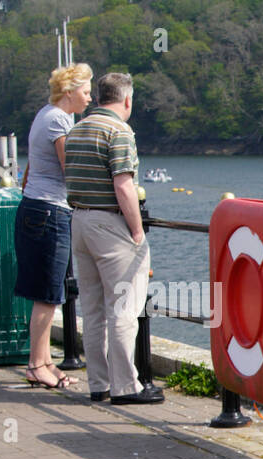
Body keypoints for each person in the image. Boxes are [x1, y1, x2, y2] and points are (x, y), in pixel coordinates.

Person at [64, 72, 162, 405]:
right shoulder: (118, 131)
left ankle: (99, 383)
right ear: (127, 100)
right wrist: (137, 231)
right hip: (109, 224)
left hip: (78, 220)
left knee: (91, 309)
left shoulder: (76, 129)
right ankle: (126, 387)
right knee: (123, 306)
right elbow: (123, 185)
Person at [13, 63, 93, 389]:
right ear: (70, 91)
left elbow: (30, 170)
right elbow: (69, 168)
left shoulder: (45, 115)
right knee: (47, 294)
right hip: (49, 213)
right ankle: (36, 364)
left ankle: (46, 361)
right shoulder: (59, 120)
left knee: (48, 291)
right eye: (86, 91)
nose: (89, 99)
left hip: (36, 208)